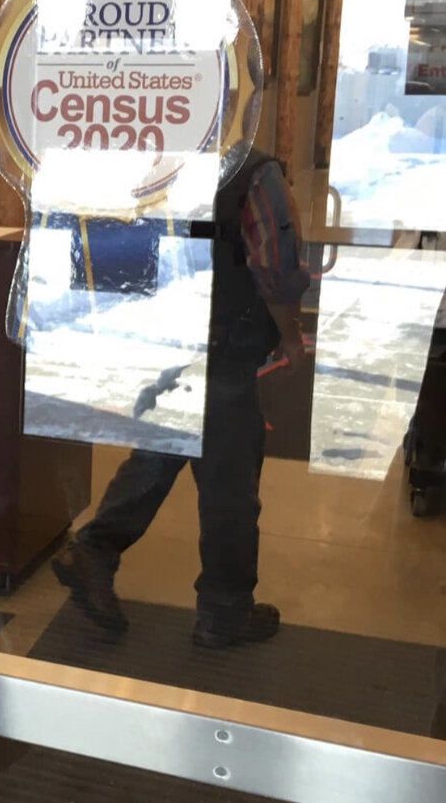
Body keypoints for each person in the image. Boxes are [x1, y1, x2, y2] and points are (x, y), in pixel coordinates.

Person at [52, 148, 309, 648]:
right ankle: (225, 614)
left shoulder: (161, 154)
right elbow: (274, 267)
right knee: (229, 484)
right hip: (225, 342)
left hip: (167, 332)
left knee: (162, 451)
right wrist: (291, 335)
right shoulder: (254, 173)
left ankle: (93, 551)